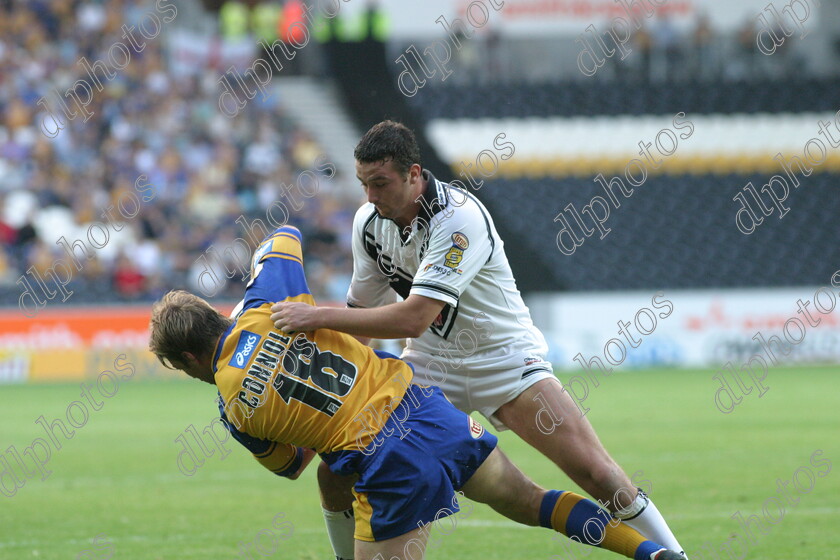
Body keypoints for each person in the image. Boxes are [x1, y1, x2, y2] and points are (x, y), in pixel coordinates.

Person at [270, 121, 689, 559]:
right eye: (363, 184)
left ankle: (675, 555)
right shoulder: (370, 224)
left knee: (597, 474)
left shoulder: (459, 219)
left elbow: (415, 318)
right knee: (336, 473)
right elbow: (362, 318)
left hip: (505, 362)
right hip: (429, 371)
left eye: (380, 183)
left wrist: (314, 315)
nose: (371, 196)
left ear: (414, 174)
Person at [148, 224, 686, 560]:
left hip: (388, 467)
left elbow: (290, 464)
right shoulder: (269, 304)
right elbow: (282, 236)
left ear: (190, 360)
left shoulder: (233, 410)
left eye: (179, 367)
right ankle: (651, 554)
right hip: (429, 412)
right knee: (534, 502)